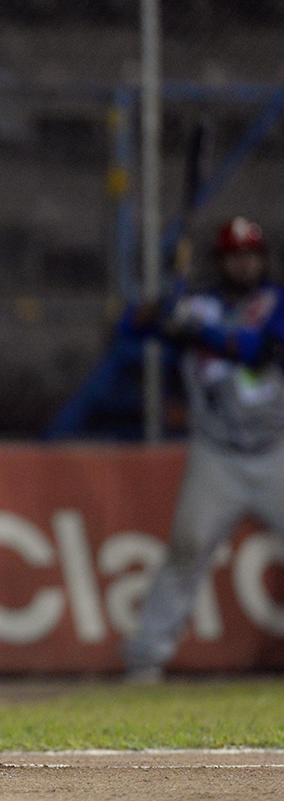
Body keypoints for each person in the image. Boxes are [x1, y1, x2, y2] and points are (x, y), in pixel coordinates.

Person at [122, 216, 284, 682]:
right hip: (217, 455)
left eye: (251, 254)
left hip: (275, 451)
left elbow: (256, 350)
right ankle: (145, 661)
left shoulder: (275, 302)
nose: (244, 264)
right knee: (186, 552)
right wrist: (161, 308)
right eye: (235, 256)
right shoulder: (199, 304)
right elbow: (128, 327)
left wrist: (193, 329)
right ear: (221, 260)